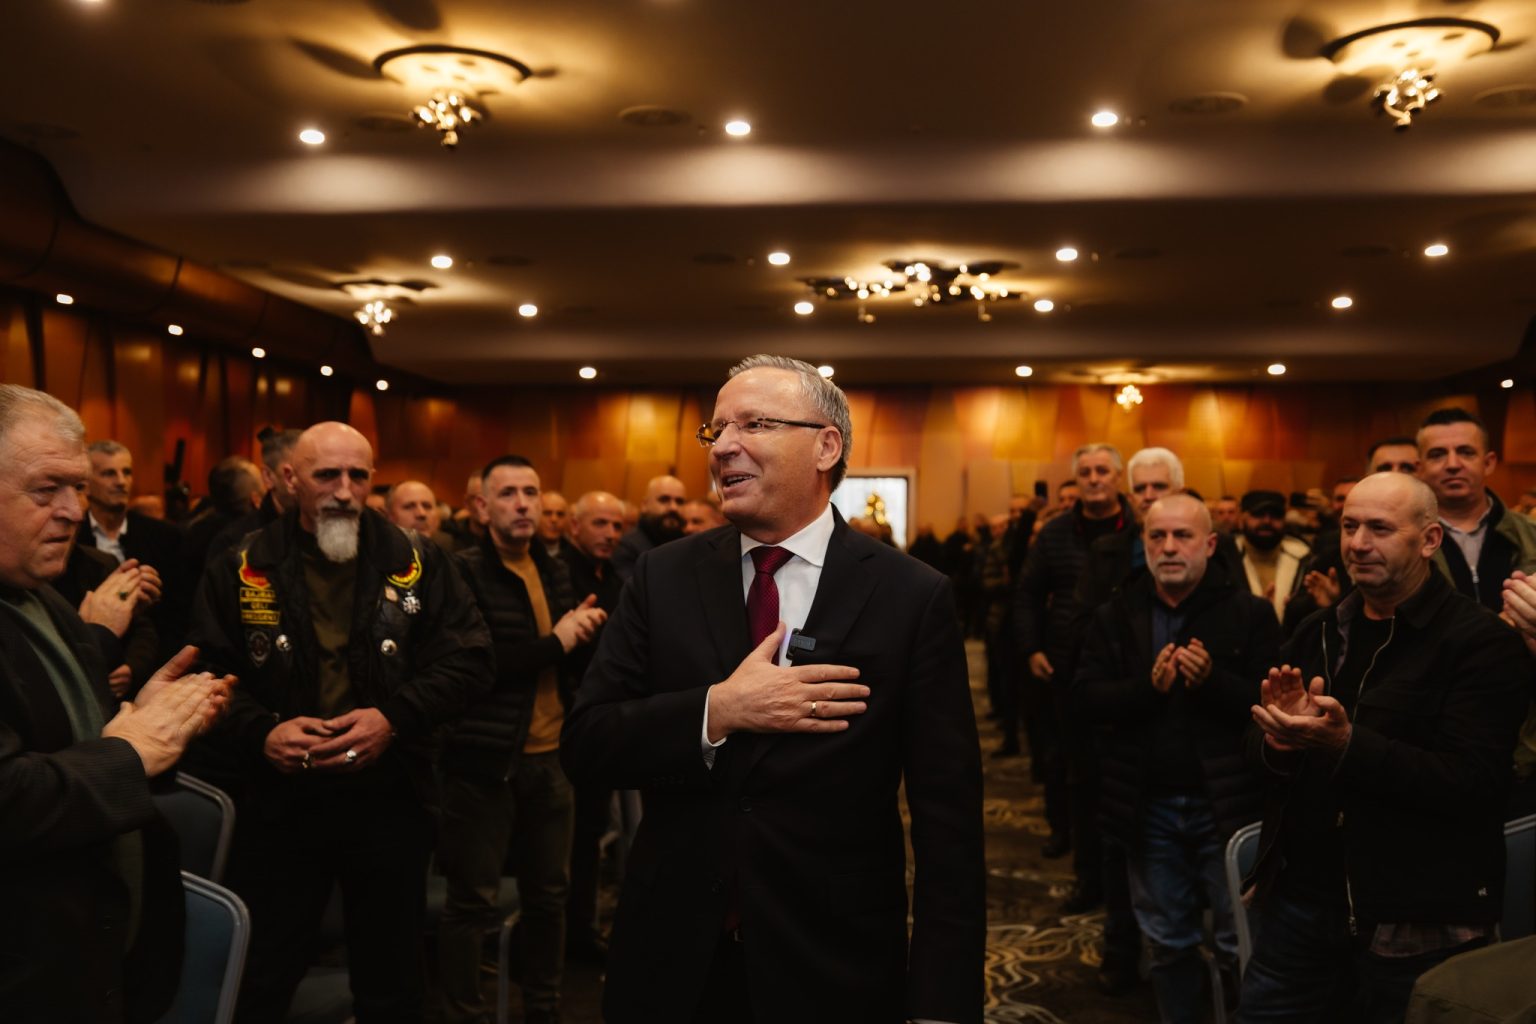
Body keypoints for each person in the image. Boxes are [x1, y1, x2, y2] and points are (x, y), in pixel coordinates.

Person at [562, 354, 985, 1023]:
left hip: (832, 962)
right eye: (716, 429)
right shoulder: (660, 577)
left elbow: (949, 820)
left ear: (826, 447)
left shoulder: (910, 595)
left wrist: (942, 1003)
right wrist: (718, 711)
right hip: (671, 959)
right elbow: (587, 744)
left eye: (754, 424)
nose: (723, 446)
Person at [189, 421, 492, 1023]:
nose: (345, 491)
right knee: (263, 978)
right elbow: (204, 671)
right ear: (290, 479)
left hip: (390, 797)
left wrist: (394, 717)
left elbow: (471, 660)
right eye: (327, 475)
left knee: (393, 984)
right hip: (280, 802)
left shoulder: (417, 559)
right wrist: (261, 731)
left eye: (358, 475)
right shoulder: (241, 564)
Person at [1238, 472, 1528, 1023]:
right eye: (1349, 526)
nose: (1358, 543)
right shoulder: (1318, 630)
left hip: (1416, 916)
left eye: (1379, 528)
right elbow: (1253, 747)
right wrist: (1279, 739)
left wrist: (1347, 744)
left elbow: (1475, 783)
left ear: (1429, 540)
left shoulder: (1480, 641)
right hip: (1302, 901)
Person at [0, 384, 234, 1023]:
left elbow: (68, 736)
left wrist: (142, 717)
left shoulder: (38, 595)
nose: (74, 511)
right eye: (46, 490)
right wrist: (130, 750)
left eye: (78, 488)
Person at [1075, 495, 1278, 1022]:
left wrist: (1212, 682)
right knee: (1168, 943)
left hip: (1227, 809)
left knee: (1240, 943)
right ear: (1143, 545)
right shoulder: (1116, 614)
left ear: (1209, 545)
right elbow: (1086, 700)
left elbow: (1272, 707)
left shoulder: (1249, 613)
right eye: (1157, 536)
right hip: (1148, 809)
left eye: (1182, 536)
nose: (1169, 547)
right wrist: (1148, 689)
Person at [437, 457, 607, 1024]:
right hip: (483, 762)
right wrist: (559, 641)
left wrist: (581, 635)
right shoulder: (461, 571)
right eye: (508, 493)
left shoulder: (552, 568)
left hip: (550, 756)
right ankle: (464, 1014)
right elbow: (476, 666)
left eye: (530, 492)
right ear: (481, 507)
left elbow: (560, 659)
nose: (523, 504)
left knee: (549, 897)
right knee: (472, 902)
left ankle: (544, 1008)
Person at [1013, 443, 1136, 871]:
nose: (1094, 479)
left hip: (1126, 668)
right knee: (1067, 762)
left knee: (1119, 767)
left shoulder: (1140, 528)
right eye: (1086, 472)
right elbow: (1027, 594)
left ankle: (1117, 859)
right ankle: (1068, 839)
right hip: (1066, 665)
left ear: (1118, 477)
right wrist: (1031, 648)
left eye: (1102, 471)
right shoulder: (1055, 533)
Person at [559, 489, 628, 963]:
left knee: (589, 838)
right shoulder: (559, 574)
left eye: (617, 525)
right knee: (566, 846)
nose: (610, 534)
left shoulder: (617, 578)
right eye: (599, 523)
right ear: (574, 527)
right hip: (565, 724)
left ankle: (582, 932)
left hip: (606, 724)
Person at [78, 439, 188, 660]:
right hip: (88, 654)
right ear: (86, 483)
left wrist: (138, 667)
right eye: (108, 473)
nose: (121, 481)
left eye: (126, 472)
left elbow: (179, 614)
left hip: (153, 660)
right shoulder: (71, 536)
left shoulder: (165, 536)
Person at [1235, 490, 1310, 622]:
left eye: (1276, 515)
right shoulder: (1226, 560)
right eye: (1258, 514)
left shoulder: (1305, 560)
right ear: (1242, 519)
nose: (1267, 521)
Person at [610, 474, 686, 581]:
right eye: (664, 500)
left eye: (679, 502)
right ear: (644, 505)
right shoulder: (627, 547)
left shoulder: (686, 544)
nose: (673, 508)